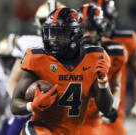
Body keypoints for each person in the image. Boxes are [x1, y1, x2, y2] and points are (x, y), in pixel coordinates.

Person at [11, 7, 113, 135]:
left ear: (75, 35)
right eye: (50, 33)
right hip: (40, 129)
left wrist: (103, 81)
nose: (53, 39)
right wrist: (31, 106)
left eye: (59, 34)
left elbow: (106, 108)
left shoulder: (96, 57)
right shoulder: (36, 58)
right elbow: (15, 104)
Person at [94, 0, 136, 135]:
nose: (102, 24)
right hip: (83, 113)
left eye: (105, 19)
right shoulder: (79, 44)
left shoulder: (125, 40)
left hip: (113, 113)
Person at [78, 3, 128, 135]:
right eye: (82, 30)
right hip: (67, 117)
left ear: (100, 30)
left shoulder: (115, 51)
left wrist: (113, 107)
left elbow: (116, 85)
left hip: (93, 118)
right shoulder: (69, 53)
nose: (86, 35)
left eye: (90, 29)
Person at [7, 1, 66, 97]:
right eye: (47, 23)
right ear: (39, 23)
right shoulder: (29, 44)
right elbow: (13, 81)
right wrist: (26, 106)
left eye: (57, 23)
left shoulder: (77, 46)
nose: (51, 28)